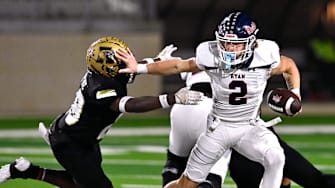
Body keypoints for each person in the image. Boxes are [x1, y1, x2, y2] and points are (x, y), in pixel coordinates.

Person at [116, 11, 302, 188]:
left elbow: (289, 66)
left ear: (251, 42)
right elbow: (178, 66)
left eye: (236, 44)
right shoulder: (211, 56)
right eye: (225, 43)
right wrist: (139, 68)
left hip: (250, 126)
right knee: (187, 184)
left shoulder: (264, 55)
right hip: (219, 129)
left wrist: (295, 93)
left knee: (276, 157)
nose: (229, 49)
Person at [0, 37, 204, 188]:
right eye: (119, 58)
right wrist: (171, 98)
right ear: (107, 66)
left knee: (85, 183)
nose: (127, 60)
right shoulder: (100, 87)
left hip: (80, 138)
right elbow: (130, 105)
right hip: (71, 143)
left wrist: (156, 59)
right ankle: (23, 171)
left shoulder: (104, 73)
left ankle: (25, 170)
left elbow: (131, 67)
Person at [162, 71, 231, 188]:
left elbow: (177, 67)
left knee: (175, 161)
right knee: (214, 169)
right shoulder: (240, 61)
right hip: (213, 107)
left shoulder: (198, 58)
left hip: (184, 104)